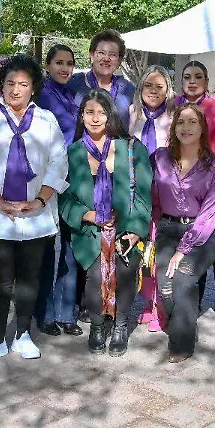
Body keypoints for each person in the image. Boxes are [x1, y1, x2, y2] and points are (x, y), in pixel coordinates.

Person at [0, 54, 68, 363]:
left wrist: (38, 201)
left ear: (33, 87)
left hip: (36, 214)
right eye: (10, 83)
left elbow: (58, 163)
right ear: (1, 85)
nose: (15, 90)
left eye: (23, 84)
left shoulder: (46, 120)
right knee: (1, 280)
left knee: (29, 278)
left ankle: (23, 333)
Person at [59, 89, 152, 356]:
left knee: (125, 271)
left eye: (102, 112)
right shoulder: (73, 153)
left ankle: (121, 325)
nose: (96, 118)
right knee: (95, 276)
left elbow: (144, 195)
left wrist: (135, 230)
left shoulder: (132, 148)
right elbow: (63, 198)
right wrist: (88, 216)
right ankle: (98, 325)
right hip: (90, 231)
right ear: (82, 116)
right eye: (90, 112)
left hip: (126, 227)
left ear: (111, 115)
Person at [151, 104, 215, 363]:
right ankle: (183, 326)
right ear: (173, 128)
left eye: (193, 121)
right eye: (181, 122)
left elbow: (210, 211)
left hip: (204, 232)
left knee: (183, 280)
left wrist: (183, 250)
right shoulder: (160, 158)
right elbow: (152, 197)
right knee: (165, 288)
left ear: (203, 127)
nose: (186, 127)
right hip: (168, 229)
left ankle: (181, 343)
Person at [34, 44, 83, 337]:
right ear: (48, 65)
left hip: (74, 179)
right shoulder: (42, 97)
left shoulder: (73, 94)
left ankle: (67, 312)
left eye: (69, 63)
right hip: (49, 180)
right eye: (59, 63)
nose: (64, 68)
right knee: (46, 251)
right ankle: (46, 312)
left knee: (70, 248)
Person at [128, 65, 176, 332]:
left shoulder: (174, 114)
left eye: (160, 86)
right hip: (138, 191)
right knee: (143, 250)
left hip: (164, 190)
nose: (154, 91)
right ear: (140, 88)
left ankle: (162, 308)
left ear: (167, 89)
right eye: (149, 86)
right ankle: (148, 304)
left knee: (159, 251)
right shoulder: (132, 113)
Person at [65, 30, 135, 127]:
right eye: (101, 53)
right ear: (92, 55)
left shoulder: (128, 89)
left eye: (112, 54)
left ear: (119, 60)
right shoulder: (73, 84)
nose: (106, 59)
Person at [176, 60, 215, 153]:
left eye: (198, 77)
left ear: (206, 81)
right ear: (182, 81)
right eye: (187, 77)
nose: (192, 81)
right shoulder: (171, 106)